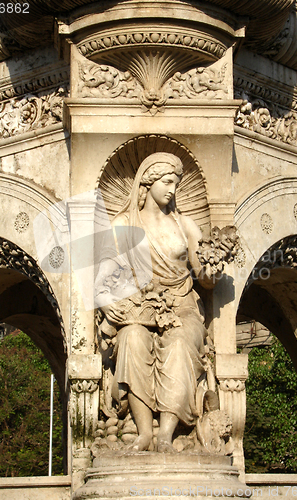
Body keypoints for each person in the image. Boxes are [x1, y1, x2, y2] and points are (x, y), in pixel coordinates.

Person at [95, 152, 216, 452]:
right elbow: (103, 279)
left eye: (176, 183)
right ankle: (145, 432)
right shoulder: (123, 224)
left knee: (179, 344)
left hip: (182, 306)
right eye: (166, 182)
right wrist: (108, 302)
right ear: (147, 184)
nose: (172, 189)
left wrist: (214, 266)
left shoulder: (185, 226)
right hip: (140, 308)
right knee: (133, 338)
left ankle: (168, 433)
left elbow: (205, 278)